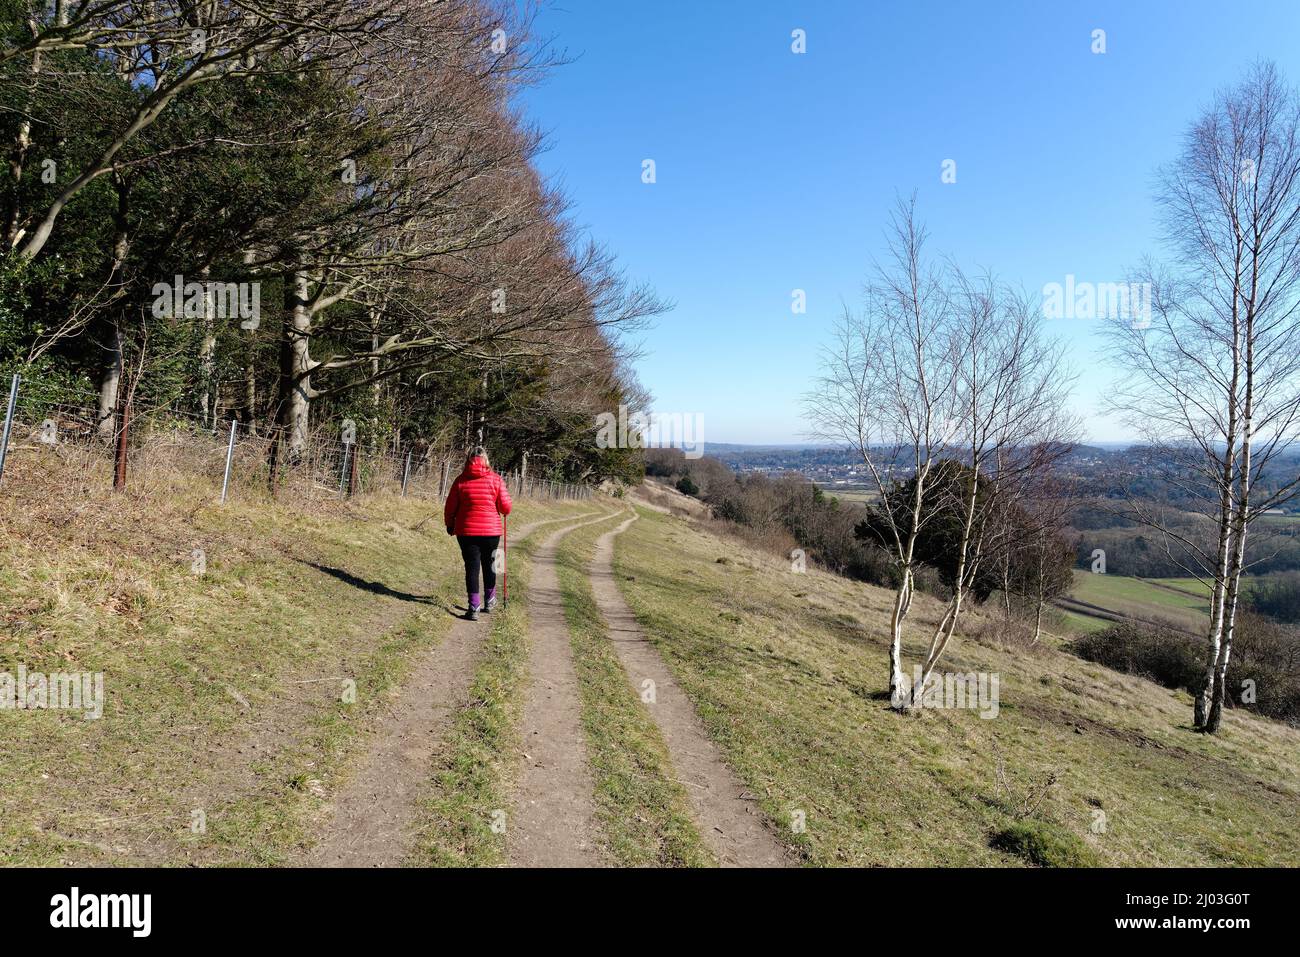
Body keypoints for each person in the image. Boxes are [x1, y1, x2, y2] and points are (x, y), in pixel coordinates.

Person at [443, 446, 512, 620]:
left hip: (466, 531)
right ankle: (490, 600)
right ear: (486, 460)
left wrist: (449, 524)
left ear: (468, 460)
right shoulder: (496, 479)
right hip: (491, 531)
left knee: (472, 568)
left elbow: (450, 506)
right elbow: (506, 507)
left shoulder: (460, 480)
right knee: (493, 564)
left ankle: (474, 606)